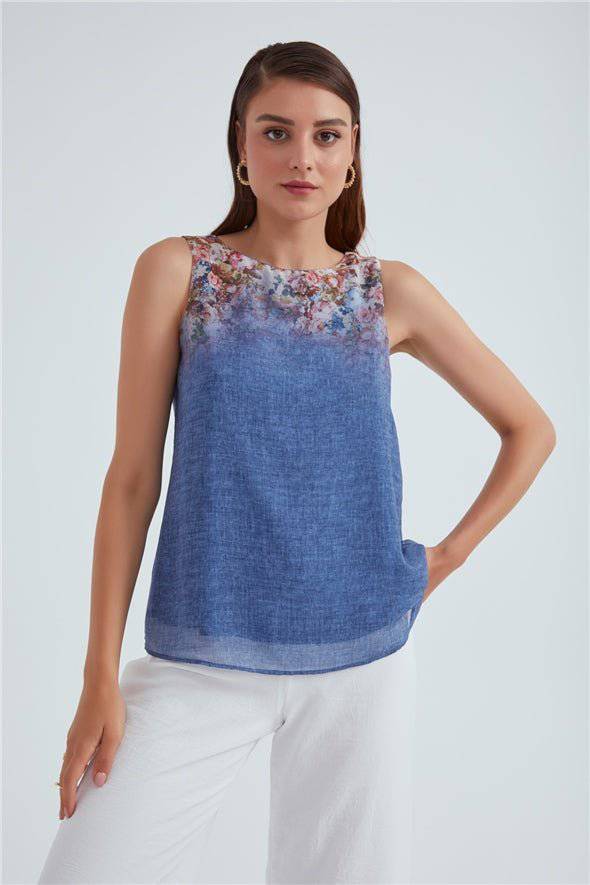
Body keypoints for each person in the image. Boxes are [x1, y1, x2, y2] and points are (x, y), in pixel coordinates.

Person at [37, 40, 556, 885]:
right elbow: (131, 479)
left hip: (362, 659)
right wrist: (99, 674)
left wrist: (444, 558)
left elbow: (530, 428)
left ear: (352, 157)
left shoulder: (389, 292)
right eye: (276, 132)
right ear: (241, 148)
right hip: (202, 650)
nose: (302, 157)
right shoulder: (178, 272)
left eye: (326, 135)